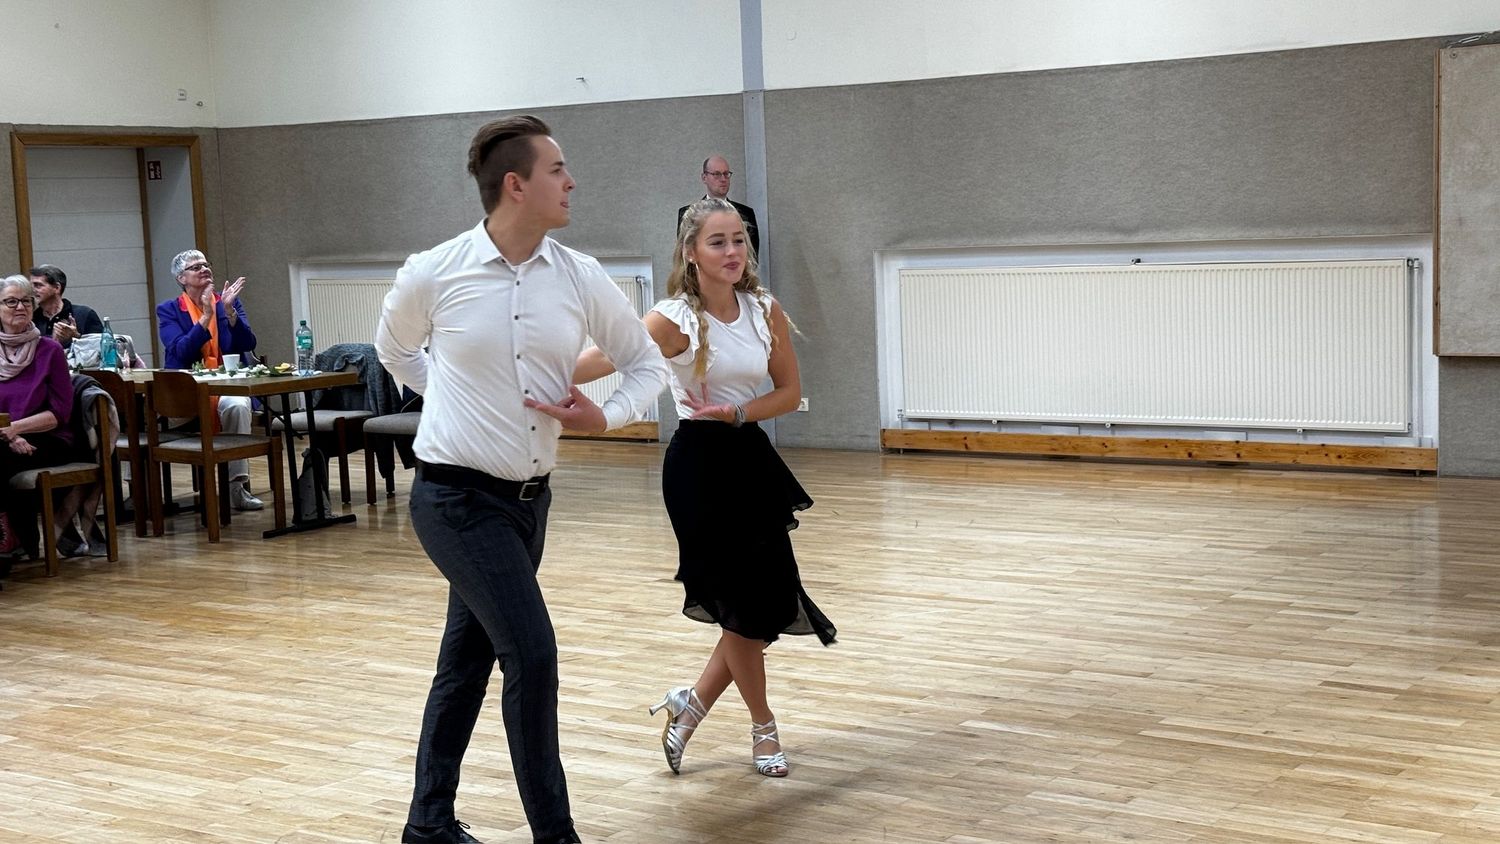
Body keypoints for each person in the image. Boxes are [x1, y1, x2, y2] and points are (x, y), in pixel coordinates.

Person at [376, 115, 667, 844]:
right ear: (516, 184)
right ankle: (555, 835)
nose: (571, 182)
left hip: (528, 504)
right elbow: (396, 353)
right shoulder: (433, 271)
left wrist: (605, 416)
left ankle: (427, 825)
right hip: (452, 498)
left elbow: (646, 365)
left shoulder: (579, 275)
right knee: (531, 656)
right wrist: (452, 398)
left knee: (465, 662)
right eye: (558, 169)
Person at [576, 197, 836, 780]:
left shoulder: (764, 308)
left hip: (750, 458)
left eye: (739, 239)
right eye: (717, 242)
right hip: (699, 469)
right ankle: (763, 727)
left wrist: (739, 412)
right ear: (691, 252)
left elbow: (788, 392)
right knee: (742, 607)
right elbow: (606, 358)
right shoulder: (675, 319)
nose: (732, 251)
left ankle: (689, 706)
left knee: (761, 606)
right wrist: (526, 373)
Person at [155, 249, 263, 511]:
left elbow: (248, 343)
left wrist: (229, 312)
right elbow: (180, 352)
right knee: (141, 417)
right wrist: (205, 317)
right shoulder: (169, 310)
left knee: (237, 405)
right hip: (187, 393)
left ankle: (236, 486)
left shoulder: (227, 302)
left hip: (227, 386)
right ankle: (140, 494)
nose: (204, 269)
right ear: (181, 278)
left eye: (206, 264)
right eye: (196, 267)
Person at [1, 275, 80, 559]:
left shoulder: (49, 350)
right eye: (11, 302)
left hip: (48, 437)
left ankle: (12, 539)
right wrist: (10, 435)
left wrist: (15, 430)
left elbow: (59, 413)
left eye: (26, 301)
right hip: (6, 437)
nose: (20, 307)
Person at [676, 155, 759, 258]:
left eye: (726, 174)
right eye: (717, 174)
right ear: (704, 178)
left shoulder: (746, 213)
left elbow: (753, 255)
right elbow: (684, 255)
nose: (723, 179)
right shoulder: (688, 214)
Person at [29, 264, 102, 349]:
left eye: (38, 285)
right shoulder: (31, 320)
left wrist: (76, 337)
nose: (32, 290)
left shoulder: (85, 314)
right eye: (31, 286)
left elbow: (103, 348)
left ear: (57, 288)